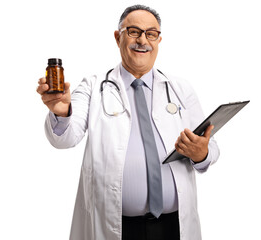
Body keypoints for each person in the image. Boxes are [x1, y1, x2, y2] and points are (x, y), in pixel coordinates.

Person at [37, 4, 219, 240]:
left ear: (158, 40)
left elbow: (210, 149)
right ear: (117, 37)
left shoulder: (180, 89)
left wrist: (201, 153)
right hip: (118, 228)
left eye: (151, 34)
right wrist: (61, 113)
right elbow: (65, 138)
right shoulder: (93, 87)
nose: (143, 40)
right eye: (134, 32)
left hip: (174, 226)